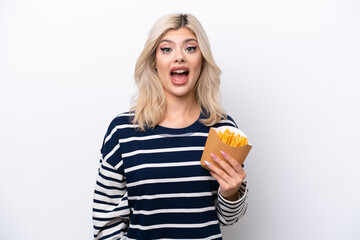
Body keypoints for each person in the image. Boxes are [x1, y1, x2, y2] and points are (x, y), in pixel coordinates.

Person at [93, 13, 248, 240]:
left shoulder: (223, 129)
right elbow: (105, 221)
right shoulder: (122, 131)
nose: (179, 57)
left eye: (190, 48)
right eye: (166, 49)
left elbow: (229, 218)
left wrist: (231, 192)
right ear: (154, 61)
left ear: (202, 59)